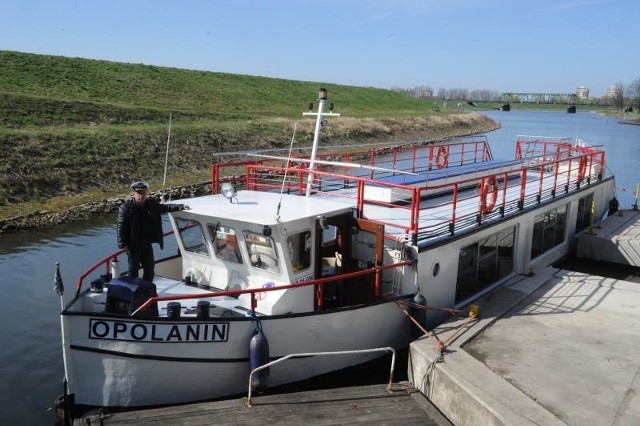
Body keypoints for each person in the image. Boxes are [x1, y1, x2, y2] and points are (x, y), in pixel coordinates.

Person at [117, 181, 190, 282]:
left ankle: (147, 289)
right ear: (134, 193)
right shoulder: (126, 208)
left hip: (146, 243)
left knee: (150, 269)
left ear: (147, 193)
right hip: (133, 245)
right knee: (133, 270)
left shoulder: (151, 204)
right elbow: (121, 227)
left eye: (143, 193)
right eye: (138, 193)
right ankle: (133, 293)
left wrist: (180, 206)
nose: (141, 196)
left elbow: (165, 208)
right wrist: (122, 244)